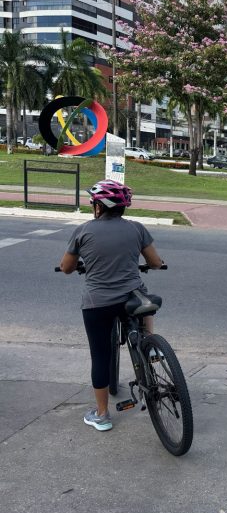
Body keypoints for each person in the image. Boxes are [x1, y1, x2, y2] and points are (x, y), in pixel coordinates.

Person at [59, 179, 164, 432]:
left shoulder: (83, 231)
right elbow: (155, 263)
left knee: (100, 356)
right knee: (144, 296)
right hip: (131, 298)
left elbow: (66, 268)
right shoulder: (137, 229)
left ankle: (103, 415)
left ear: (99, 206)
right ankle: (150, 345)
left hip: (98, 303)